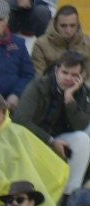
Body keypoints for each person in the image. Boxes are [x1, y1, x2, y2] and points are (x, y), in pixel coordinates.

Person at [15, 52, 90, 193]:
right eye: (65, 72)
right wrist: (50, 141)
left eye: (74, 75)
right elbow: (20, 120)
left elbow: (81, 126)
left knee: (84, 137)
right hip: (35, 139)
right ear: (56, 71)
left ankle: (70, 194)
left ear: (81, 76)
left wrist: (70, 99)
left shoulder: (82, 91)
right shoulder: (39, 85)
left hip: (61, 139)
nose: (68, 78)